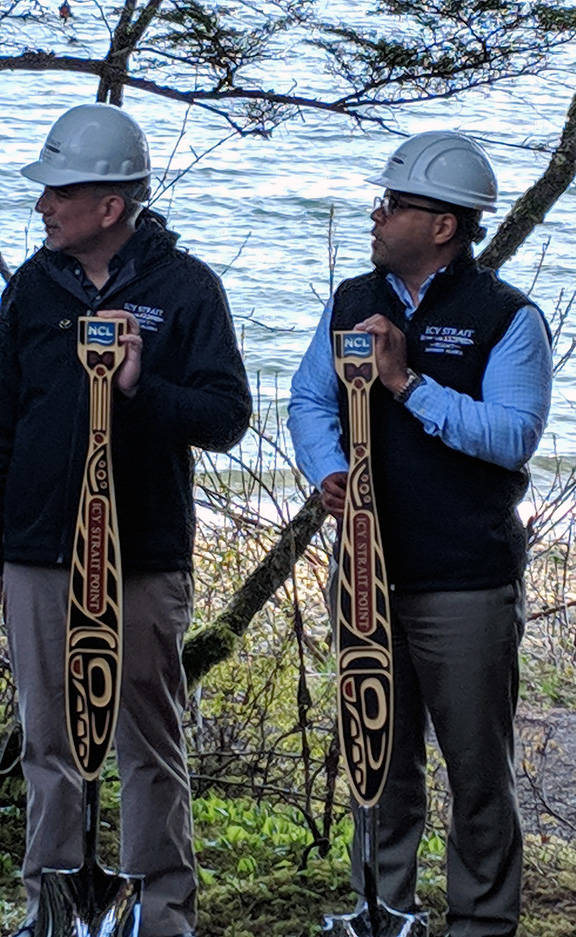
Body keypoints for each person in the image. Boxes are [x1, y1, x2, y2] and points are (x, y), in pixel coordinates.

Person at [288, 131, 552, 937]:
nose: (378, 214)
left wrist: (406, 381)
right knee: (375, 753)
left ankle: (481, 920)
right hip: (366, 568)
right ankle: (383, 908)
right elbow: (308, 399)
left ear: (443, 225)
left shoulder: (507, 318)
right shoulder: (350, 300)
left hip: (464, 576)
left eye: (395, 203)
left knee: (477, 767)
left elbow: (512, 436)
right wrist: (330, 468)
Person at [1, 102, 252, 937]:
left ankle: (160, 912)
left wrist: (144, 388)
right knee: (47, 739)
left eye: (59, 192)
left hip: (142, 552)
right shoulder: (33, 287)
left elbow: (225, 416)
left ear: (110, 205)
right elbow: (3, 419)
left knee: (151, 738)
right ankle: (51, 910)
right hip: (39, 551)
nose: (43, 205)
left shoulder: (186, 289)